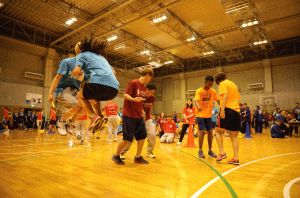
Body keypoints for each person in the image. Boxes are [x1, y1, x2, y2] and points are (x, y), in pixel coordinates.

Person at [72, 36, 119, 131]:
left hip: (99, 85)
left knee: (80, 96)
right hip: (114, 89)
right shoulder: (101, 57)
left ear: (78, 50)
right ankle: (101, 116)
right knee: (94, 97)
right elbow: (114, 73)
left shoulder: (81, 55)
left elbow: (76, 72)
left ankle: (93, 116)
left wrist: (77, 73)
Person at [112, 68, 153, 165]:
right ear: (147, 75)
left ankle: (138, 157)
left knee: (142, 137)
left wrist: (142, 110)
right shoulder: (133, 83)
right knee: (127, 139)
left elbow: (140, 101)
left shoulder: (144, 87)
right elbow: (125, 95)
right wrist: (134, 99)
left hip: (138, 116)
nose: (149, 80)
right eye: (150, 78)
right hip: (129, 115)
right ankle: (116, 155)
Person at [48, 53, 89, 136]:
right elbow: (57, 78)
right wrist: (50, 93)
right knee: (77, 105)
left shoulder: (86, 69)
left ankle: (70, 122)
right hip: (63, 90)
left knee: (86, 107)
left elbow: (84, 85)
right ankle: (61, 122)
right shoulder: (67, 62)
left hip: (75, 92)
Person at [120, 83, 157, 159]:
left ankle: (149, 151)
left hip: (147, 118)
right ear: (146, 89)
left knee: (153, 134)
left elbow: (150, 107)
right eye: (150, 92)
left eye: (152, 93)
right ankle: (122, 152)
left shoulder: (152, 98)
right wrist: (142, 111)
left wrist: (148, 114)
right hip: (137, 118)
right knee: (131, 137)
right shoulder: (140, 96)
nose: (151, 94)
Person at [214, 72, 241, 165]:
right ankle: (236, 159)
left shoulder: (222, 84)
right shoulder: (233, 84)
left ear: (219, 80)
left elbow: (225, 95)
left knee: (217, 131)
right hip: (236, 111)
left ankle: (222, 153)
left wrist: (222, 111)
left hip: (228, 110)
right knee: (233, 136)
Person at [193, 76, 220, 158]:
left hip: (208, 115)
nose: (210, 86)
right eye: (209, 84)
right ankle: (200, 151)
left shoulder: (213, 91)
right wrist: (198, 106)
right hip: (200, 114)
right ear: (205, 82)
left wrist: (223, 106)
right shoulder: (199, 91)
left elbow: (218, 100)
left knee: (210, 132)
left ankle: (210, 151)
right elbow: (196, 100)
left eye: (211, 84)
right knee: (202, 131)